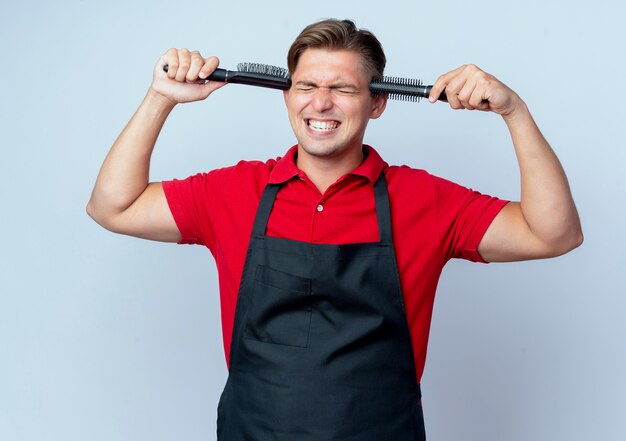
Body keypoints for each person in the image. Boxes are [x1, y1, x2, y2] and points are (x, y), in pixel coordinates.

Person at [87, 18, 582, 441]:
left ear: (377, 102)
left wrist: (514, 112)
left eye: (342, 89)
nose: (320, 104)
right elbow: (114, 206)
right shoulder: (235, 191)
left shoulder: (423, 199)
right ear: (286, 96)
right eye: (306, 86)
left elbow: (553, 234)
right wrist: (160, 99)